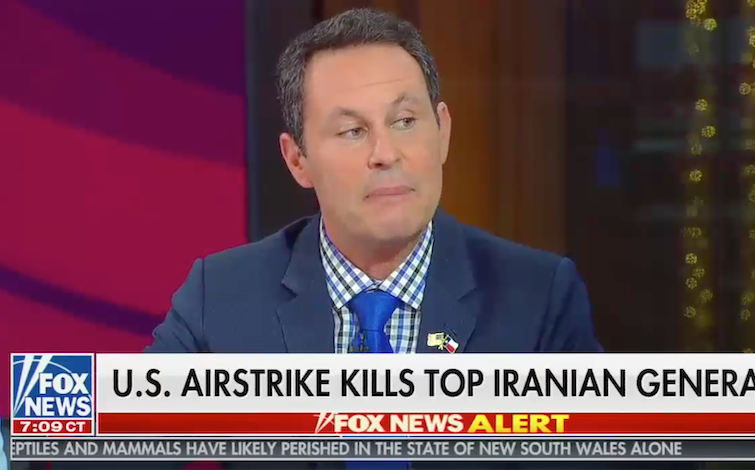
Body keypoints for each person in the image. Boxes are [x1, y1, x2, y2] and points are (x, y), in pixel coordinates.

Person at [58, 7, 603, 470]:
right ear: (298, 159)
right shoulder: (222, 296)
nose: (385, 153)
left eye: (405, 121)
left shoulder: (539, 298)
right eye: (352, 131)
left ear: (443, 131)